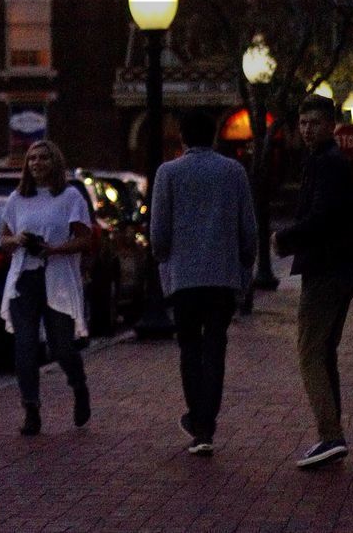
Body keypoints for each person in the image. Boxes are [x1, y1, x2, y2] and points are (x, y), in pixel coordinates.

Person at [150, 109, 257, 456]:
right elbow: (248, 230)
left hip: (184, 278)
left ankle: (199, 422)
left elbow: (159, 232)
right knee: (215, 349)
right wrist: (245, 267)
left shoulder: (168, 173)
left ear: (182, 136)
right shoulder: (233, 172)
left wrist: (163, 258)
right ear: (214, 136)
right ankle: (206, 423)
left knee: (190, 349)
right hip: (222, 277)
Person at [272, 94, 353, 469]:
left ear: (331, 125)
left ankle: (330, 436)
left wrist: (284, 239)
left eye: (315, 122)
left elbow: (322, 218)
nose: (308, 129)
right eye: (303, 122)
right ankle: (331, 435)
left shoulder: (327, 164)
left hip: (328, 270)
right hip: (339, 267)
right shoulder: (324, 162)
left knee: (309, 351)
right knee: (324, 351)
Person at [0, 139, 94, 436]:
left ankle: (79, 387)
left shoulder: (69, 197)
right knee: (25, 346)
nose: (37, 164)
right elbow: (4, 239)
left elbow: (84, 238)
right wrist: (18, 240)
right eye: (32, 159)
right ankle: (31, 409)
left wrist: (53, 249)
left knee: (62, 346)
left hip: (57, 277)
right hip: (24, 278)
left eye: (43, 158)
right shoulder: (17, 198)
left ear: (55, 162)